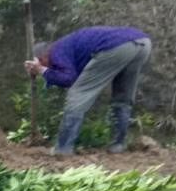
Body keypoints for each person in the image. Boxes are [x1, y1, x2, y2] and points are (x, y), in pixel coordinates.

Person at [26, 26, 152, 156]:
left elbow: (69, 79)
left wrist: (41, 70)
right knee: (122, 98)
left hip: (116, 47)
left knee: (77, 95)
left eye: (42, 63)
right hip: (142, 43)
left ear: (42, 57)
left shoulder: (57, 51)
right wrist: (44, 71)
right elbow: (66, 76)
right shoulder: (67, 46)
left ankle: (62, 149)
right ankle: (117, 145)